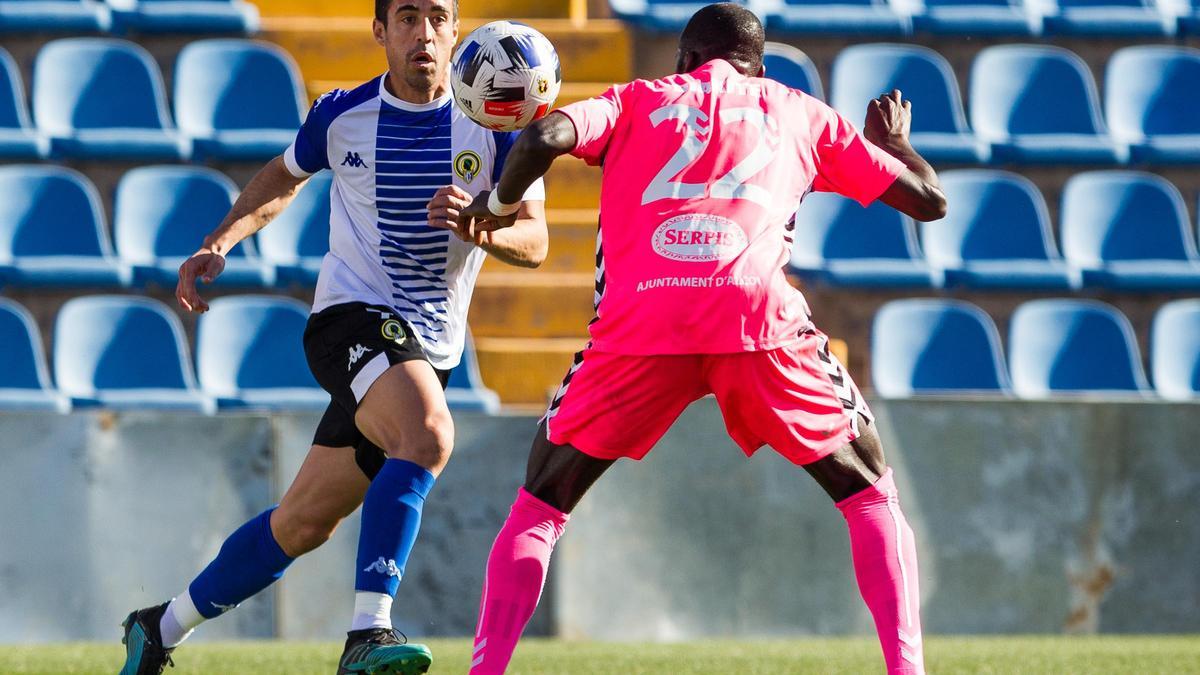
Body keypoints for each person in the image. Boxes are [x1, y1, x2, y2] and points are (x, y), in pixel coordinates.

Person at [453, 3, 947, 674]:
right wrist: (893, 146)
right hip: (757, 321)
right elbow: (927, 200)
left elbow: (540, 138)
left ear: (683, 61)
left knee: (541, 503)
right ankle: (905, 669)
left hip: (642, 326)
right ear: (759, 68)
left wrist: (499, 207)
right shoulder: (798, 110)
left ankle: (484, 670)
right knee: (868, 492)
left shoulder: (637, 100)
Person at [118, 1, 548, 673]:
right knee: (429, 436)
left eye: (437, 16)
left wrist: (480, 228)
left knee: (302, 522)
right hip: (349, 318)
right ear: (380, 31)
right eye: (406, 17)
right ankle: (367, 632)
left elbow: (536, 241)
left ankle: (159, 627)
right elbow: (282, 176)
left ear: (458, 30)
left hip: (424, 348)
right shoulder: (342, 114)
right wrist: (219, 242)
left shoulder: (497, 127)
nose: (423, 34)